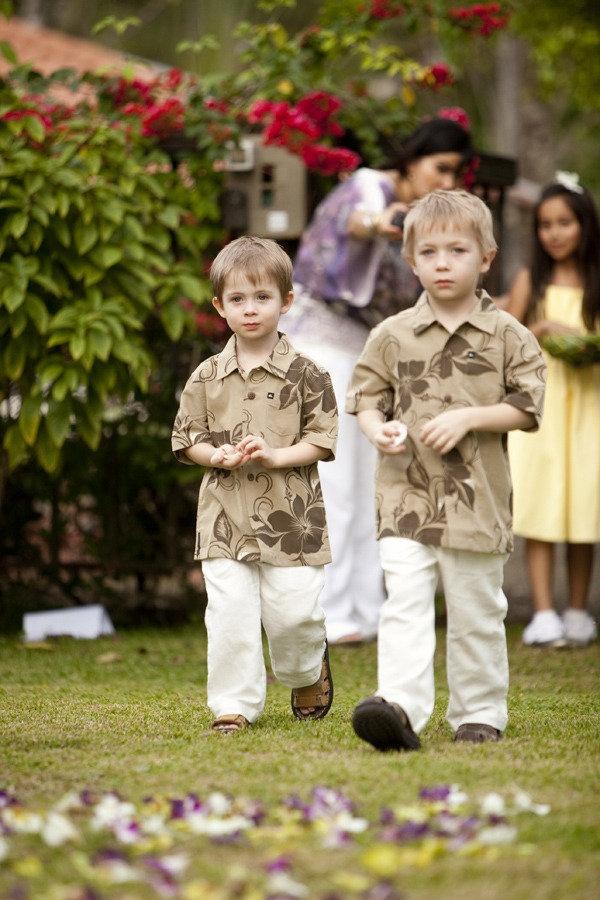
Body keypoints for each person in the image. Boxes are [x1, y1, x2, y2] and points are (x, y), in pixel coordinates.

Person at [346, 190, 546, 750]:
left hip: (476, 499)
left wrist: (470, 418)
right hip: (405, 495)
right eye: (428, 251)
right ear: (411, 260)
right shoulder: (391, 334)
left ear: (486, 257)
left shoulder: (509, 334)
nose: (441, 262)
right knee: (405, 602)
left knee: (476, 608)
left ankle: (479, 713)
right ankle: (399, 709)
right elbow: (366, 398)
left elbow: (528, 408)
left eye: (457, 250)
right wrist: (375, 428)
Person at [286, 116, 474, 645]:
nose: (447, 181)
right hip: (321, 345)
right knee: (336, 484)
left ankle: (365, 612)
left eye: (455, 173)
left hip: (367, 354)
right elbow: (358, 223)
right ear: (412, 160)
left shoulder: (421, 223)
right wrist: (383, 220)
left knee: (373, 485)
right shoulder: (370, 188)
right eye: (440, 168)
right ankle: (328, 614)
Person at [172, 236, 338, 733]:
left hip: (294, 518)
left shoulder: (308, 374)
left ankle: (306, 669)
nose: (250, 310)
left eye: (262, 298)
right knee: (228, 614)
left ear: (286, 302)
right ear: (219, 306)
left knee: (294, 614)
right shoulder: (206, 377)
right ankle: (233, 705)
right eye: (238, 300)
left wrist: (275, 455)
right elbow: (187, 439)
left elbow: (322, 440)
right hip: (224, 515)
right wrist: (214, 454)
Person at [507, 175, 600, 648]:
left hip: (589, 405)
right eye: (546, 225)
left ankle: (579, 608)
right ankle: (544, 610)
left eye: (565, 223)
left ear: (585, 224)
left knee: (584, 506)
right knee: (542, 504)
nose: (555, 233)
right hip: (542, 407)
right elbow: (509, 336)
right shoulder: (531, 280)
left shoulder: (596, 280)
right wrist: (538, 327)